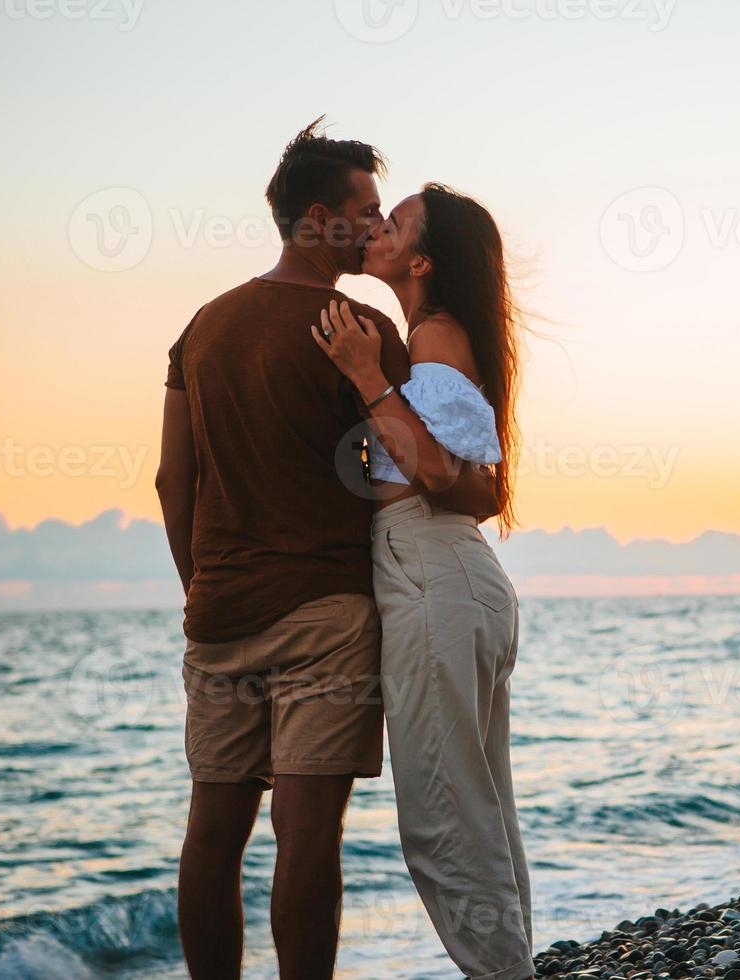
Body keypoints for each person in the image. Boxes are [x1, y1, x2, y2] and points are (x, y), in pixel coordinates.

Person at [154, 120, 499, 980]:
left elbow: (172, 481)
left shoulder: (201, 328)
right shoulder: (360, 326)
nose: (376, 225)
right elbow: (430, 472)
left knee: (212, 833)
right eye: (366, 210)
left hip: (219, 613)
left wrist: (207, 588)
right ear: (319, 218)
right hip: (328, 613)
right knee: (307, 834)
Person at [312, 183, 533, 980]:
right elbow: (485, 490)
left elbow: (444, 476)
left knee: (445, 827)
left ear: (422, 260)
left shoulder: (431, 340)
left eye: (393, 222)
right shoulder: (436, 337)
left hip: (434, 574)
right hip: (461, 578)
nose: (376, 227)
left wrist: (369, 380)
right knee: (483, 816)